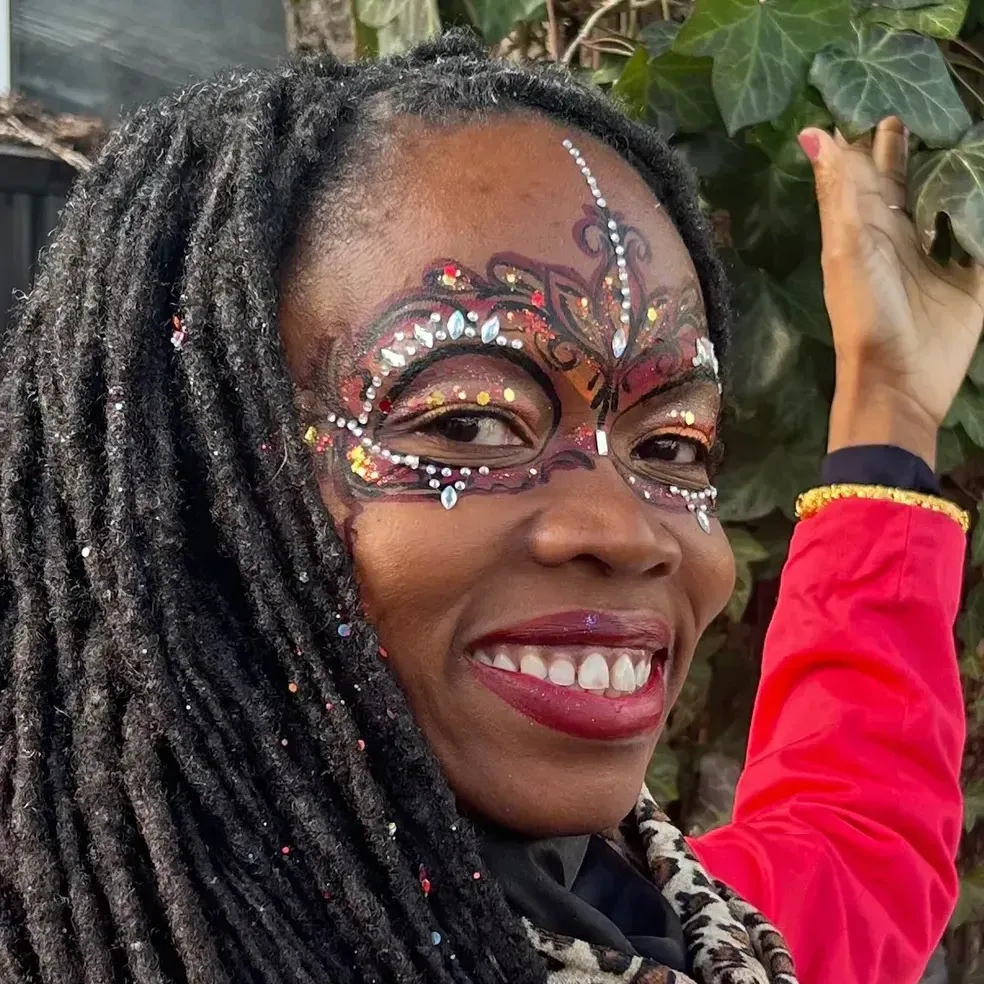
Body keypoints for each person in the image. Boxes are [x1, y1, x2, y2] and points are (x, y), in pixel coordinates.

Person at [0, 32, 978, 984]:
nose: (629, 529)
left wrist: (888, 398)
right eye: (469, 427)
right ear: (203, 488)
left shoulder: (683, 929)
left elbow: (855, 838)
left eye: (672, 447)